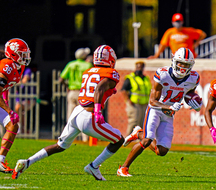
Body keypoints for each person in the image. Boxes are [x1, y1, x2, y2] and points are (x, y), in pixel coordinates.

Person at [12, 45, 125, 181]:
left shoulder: (88, 71)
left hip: (78, 111)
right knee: (119, 140)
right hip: (89, 115)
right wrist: (98, 111)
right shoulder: (111, 73)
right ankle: (94, 166)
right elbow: (99, 88)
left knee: (60, 146)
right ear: (111, 60)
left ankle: (27, 162)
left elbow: (96, 88)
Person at [117, 47, 203, 177]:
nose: (183, 67)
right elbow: (152, 101)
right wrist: (169, 107)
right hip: (156, 110)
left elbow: (189, 93)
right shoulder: (163, 74)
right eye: (181, 63)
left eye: (186, 64)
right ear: (174, 61)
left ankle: (138, 133)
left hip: (169, 114)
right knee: (147, 140)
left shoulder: (194, 78)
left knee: (161, 151)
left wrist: (195, 102)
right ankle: (123, 168)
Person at [0, 38, 31, 173]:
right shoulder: (6, 65)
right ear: (13, 53)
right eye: (21, 54)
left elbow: (5, 88)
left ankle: (0, 160)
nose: (25, 57)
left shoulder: (20, 67)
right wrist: (9, 110)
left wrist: (6, 104)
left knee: (13, 125)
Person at [60, 47, 93, 142]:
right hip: (83, 93)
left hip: (72, 91)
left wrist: (68, 86)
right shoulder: (87, 65)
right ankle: (85, 138)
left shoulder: (71, 64)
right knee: (83, 115)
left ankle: (66, 137)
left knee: (70, 115)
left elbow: (61, 79)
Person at [121, 61, 152, 136]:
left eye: (141, 67)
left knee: (142, 122)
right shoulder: (130, 78)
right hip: (134, 103)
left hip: (144, 103)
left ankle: (139, 140)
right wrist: (128, 100)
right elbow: (124, 90)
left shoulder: (146, 78)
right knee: (134, 121)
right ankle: (128, 138)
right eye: (138, 67)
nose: (139, 69)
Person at [14, 66, 36, 133]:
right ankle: (23, 129)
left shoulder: (27, 70)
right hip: (19, 99)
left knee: (18, 108)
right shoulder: (14, 69)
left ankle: (21, 127)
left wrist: (14, 83)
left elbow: (25, 80)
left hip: (29, 99)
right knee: (21, 112)